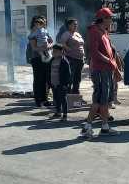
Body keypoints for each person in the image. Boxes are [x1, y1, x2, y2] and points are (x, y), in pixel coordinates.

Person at [81, 8, 119, 138]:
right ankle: (90, 126)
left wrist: (113, 62)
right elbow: (94, 53)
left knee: (102, 99)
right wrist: (109, 61)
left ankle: (102, 126)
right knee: (100, 99)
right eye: (110, 18)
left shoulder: (104, 32)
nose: (111, 20)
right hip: (100, 70)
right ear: (103, 19)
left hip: (106, 69)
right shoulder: (94, 32)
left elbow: (108, 50)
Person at [28, 16, 53, 108]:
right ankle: (38, 100)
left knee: (46, 79)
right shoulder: (33, 34)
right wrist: (43, 48)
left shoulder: (45, 32)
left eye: (41, 23)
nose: (38, 24)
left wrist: (48, 47)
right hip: (37, 58)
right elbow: (34, 48)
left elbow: (51, 41)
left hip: (47, 57)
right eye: (37, 22)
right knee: (39, 79)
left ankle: (44, 99)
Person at [58, 18, 85, 94]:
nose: (76, 25)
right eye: (74, 24)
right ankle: (68, 94)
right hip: (71, 59)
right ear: (69, 25)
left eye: (76, 24)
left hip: (80, 59)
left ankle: (76, 94)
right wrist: (68, 48)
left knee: (77, 77)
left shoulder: (77, 34)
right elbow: (61, 43)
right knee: (70, 77)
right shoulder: (66, 33)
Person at [49, 44, 72, 121]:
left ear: (61, 52)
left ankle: (65, 114)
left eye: (56, 51)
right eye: (53, 51)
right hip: (54, 83)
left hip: (61, 84)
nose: (54, 53)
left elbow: (68, 74)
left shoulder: (64, 61)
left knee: (63, 99)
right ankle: (58, 112)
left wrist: (66, 84)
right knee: (56, 98)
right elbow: (49, 72)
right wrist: (49, 82)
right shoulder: (52, 60)